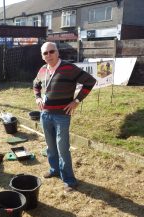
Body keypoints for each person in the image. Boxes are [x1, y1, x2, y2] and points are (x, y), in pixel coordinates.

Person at [33, 42, 96, 192]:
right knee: (50, 146)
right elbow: (36, 83)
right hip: (45, 115)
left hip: (62, 116)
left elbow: (90, 82)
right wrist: (37, 97)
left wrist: (77, 100)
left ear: (57, 52)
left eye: (51, 51)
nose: (49, 55)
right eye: (45, 53)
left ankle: (69, 180)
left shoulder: (69, 68)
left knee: (63, 149)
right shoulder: (43, 69)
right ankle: (54, 169)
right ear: (42, 56)